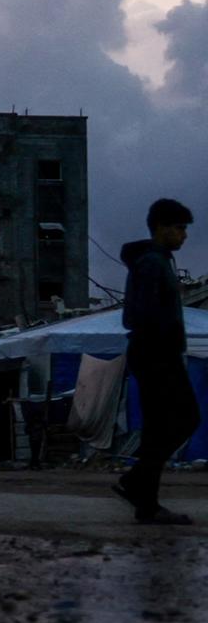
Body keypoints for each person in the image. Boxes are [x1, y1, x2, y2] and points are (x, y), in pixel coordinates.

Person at [117, 198, 198, 526]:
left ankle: (144, 501)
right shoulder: (152, 263)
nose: (184, 235)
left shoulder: (158, 260)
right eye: (179, 228)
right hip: (156, 353)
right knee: (185, 417)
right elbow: (146, 314)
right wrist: (165, 346)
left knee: (158, 428)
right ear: (161, 227)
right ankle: (137, 483)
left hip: (152, 352)